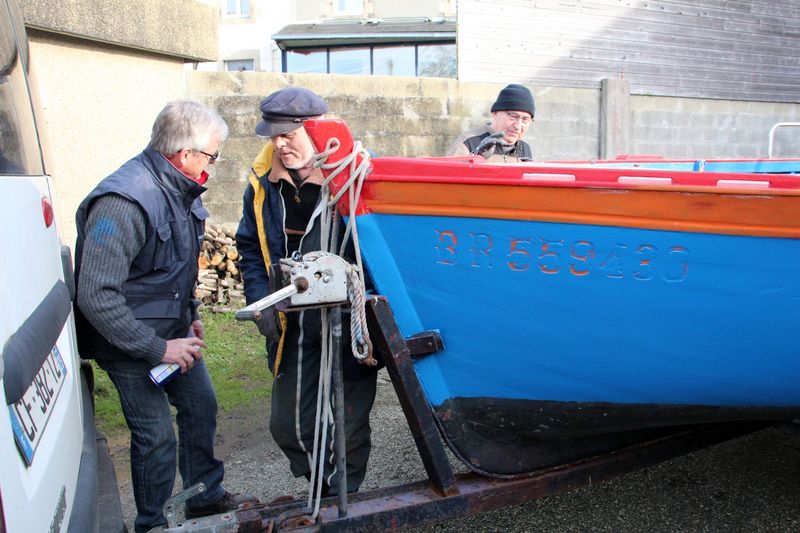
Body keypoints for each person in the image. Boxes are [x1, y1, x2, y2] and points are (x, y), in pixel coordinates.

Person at [74, 100, 256, 532]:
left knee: (201, 406)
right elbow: (95, 296)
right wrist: (158, 348)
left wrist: (188, 313)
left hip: (172, 332)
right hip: (127, 342)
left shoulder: (179, 191)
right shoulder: (124, 202)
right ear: (185, 153)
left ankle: (203, 498)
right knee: (155, 436)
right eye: (211, 155)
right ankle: (153, 523)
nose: (213, 164)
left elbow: (176, 264)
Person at [235, 87, 380, 497]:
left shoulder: (356, 176)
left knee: (349, 418)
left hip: (348, 316)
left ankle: (343, 495)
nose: (280, 145)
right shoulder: (262, 186)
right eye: (274, 136)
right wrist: (260, 299)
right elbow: (250, 245)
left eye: (289, 135)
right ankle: (320, 485)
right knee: (288, 423)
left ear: (315, 130)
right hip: (292, 317)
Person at [446, 83, 535, 162]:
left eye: (525, 119)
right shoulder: (468, 141)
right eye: (513, 117)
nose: (518, 126)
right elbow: (447, 172)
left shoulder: (525, 148)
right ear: (495, 114)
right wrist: (476, 156)